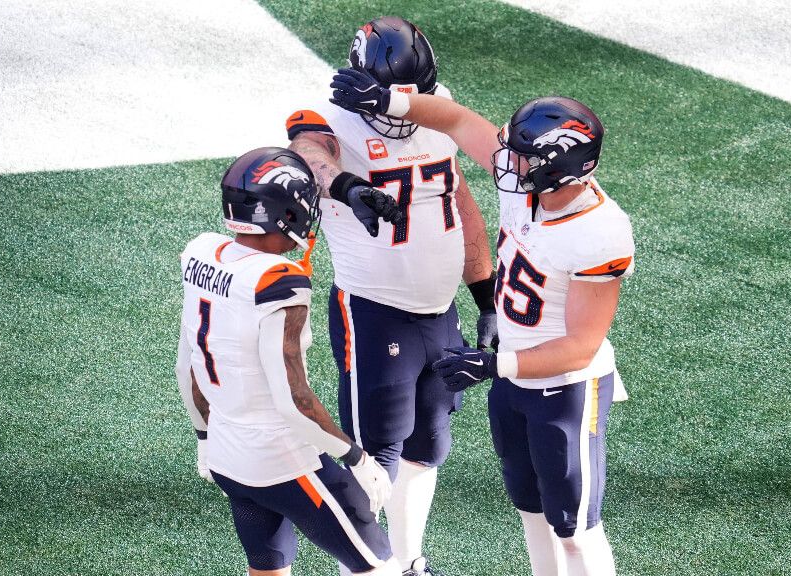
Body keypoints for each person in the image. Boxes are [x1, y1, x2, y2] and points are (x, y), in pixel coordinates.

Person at [330, 68, 636, 576]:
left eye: (523, 154)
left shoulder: (600, 233)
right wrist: (390, 99)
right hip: (514, 380)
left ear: (561, 168)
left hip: (566, 388)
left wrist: (498, 364)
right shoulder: (528, 187)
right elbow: (452, 118)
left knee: (577, 530)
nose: (506, 161)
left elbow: (582, 345)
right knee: (531, 513)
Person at [286, 17, 496, 576]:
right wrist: (349, 188)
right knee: (371, 457)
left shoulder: (437, 106)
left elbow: (460, 199)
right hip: (375, 311)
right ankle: (366, 569)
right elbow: (309, 152)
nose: (403, 105)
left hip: (440, 311)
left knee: (429, 447)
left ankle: (408, 560)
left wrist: (486, 295)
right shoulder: (325, 116)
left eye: (413, 93)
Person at [173, 146, 402, 576]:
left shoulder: (201, 254)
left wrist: (205, 438)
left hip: (226, 455)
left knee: (269, 567)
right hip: (277, 458)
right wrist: (355, 458)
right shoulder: (278, 281)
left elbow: (187, 368)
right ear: (287, 212)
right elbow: (292, 399)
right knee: (378, 565)